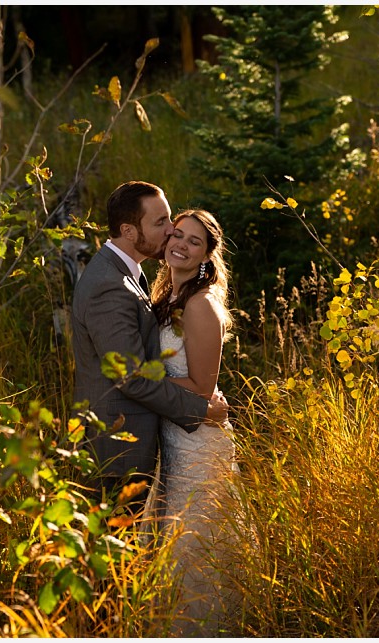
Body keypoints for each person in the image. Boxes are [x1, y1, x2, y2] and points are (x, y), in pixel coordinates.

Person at [71, 181, 229, 514]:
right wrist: (201, 410)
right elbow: (132, 378)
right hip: (117, 450)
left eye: (169, 219)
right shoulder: (110, 287)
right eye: (161, 222)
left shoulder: (129, 274)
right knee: (117, 555)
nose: (171, 231)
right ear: (129, 231)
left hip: (148, 443)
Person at [151, 209, 239, 637]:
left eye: (194, 241)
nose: (180, 245)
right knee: (171, 538)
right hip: (172, 432)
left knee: (195, 543)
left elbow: (204, 388)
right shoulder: (170, 294)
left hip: (197, 439)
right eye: (177, 235)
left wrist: (140, 382)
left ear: (207, 255)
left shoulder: (202, 304)